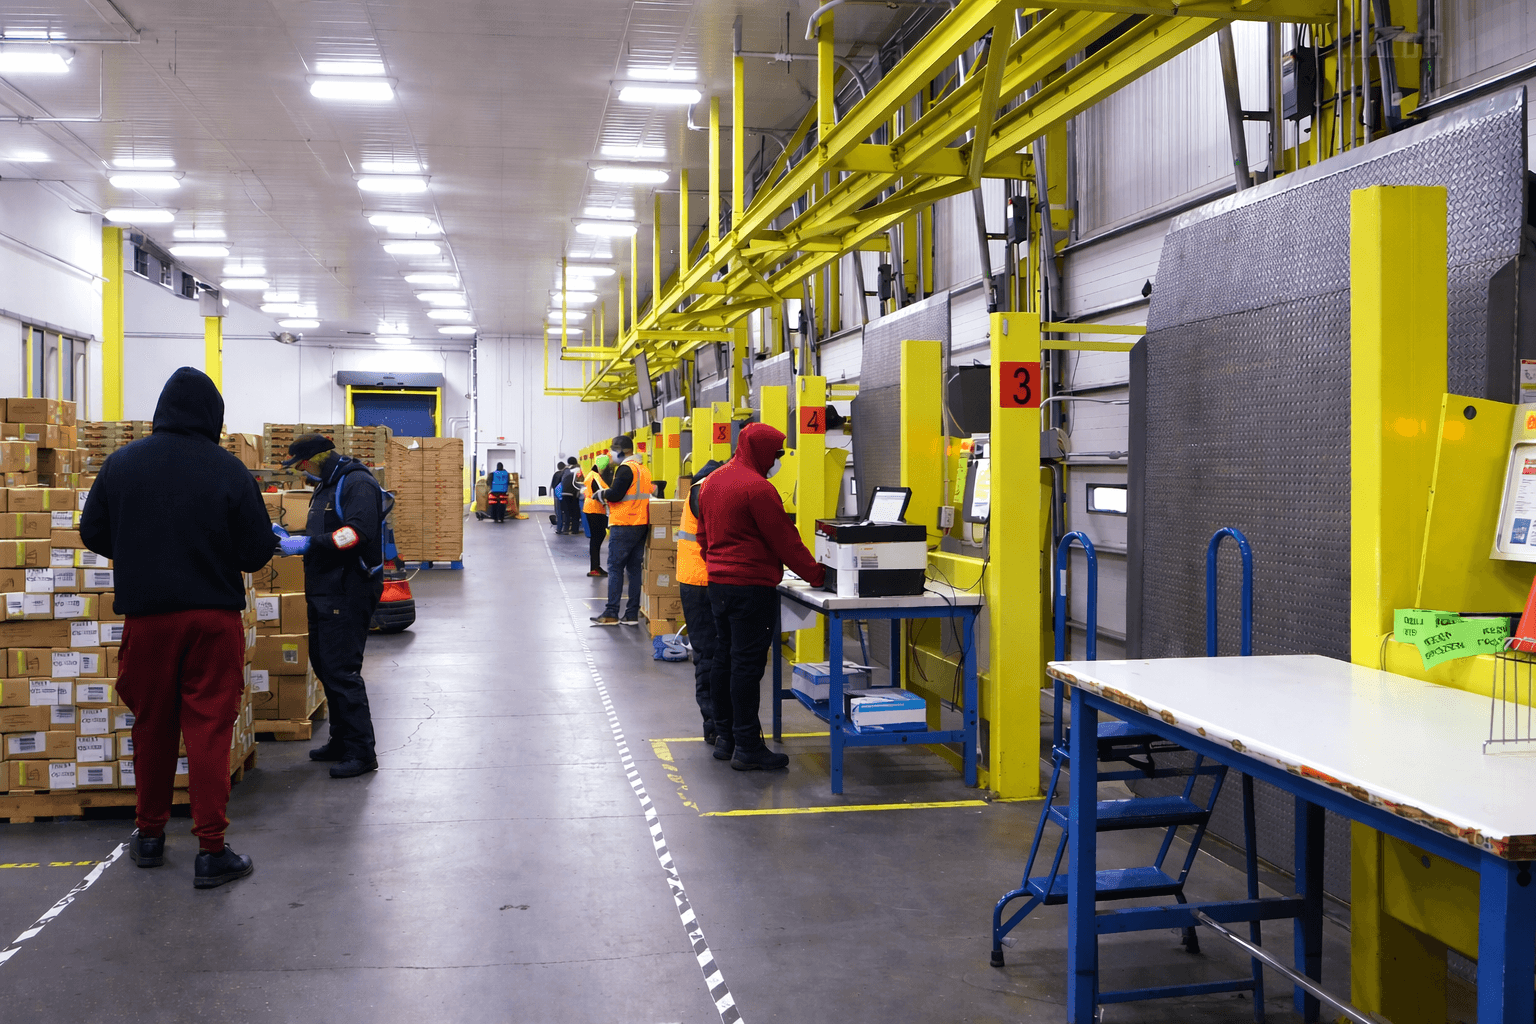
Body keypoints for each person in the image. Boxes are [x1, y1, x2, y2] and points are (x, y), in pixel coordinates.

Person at [80, 366, 274, 889]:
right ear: (213, 416)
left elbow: (92, 530)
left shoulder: (122, 464)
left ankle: (149, 836)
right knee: (209, 730)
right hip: (212, 620)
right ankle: (211, 850)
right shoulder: (229, 470)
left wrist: (138, 552)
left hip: (147, 620)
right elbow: (257, 551)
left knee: (152, 726)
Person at [696, 423, 826, 771]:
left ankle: (726, 739)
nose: (777, 459)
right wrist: (817, 575)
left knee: (724, 658)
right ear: (761, 450)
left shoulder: (711, 482)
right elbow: (785, 540)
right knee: (746, 665)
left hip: (718, 584)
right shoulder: (758, 488)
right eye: (776, 452)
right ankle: (748, 747)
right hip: (751, 588)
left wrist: (718, 566)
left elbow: (703, 536)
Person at [277, 433, 385, 779]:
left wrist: (308, 545)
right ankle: (341, 740)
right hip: (325, 590)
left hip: (348, 589)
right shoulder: (327, 483)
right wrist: (291, 537)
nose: (301, 471)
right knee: (324, 666)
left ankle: (361, 751)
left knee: (341, 670)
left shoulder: (357, 484)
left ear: (316, 457)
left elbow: (355, 534)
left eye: (302, 465)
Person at [678, 459, 723, 743]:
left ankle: (718, 724)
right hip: (702, 580)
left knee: (712, 655)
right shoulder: (704, 489)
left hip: (699, 578)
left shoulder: (701, 487)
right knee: (709, 655)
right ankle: (714, 725)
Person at [590, 435, 650, 626]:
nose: (611, 454)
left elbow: (616, 494)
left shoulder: (625, 469)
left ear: (623, 451)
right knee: (634, 569)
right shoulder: (643, 469)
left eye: (613, 450)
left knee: (615, 568)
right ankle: (631, 614)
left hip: (624, 524)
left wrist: (601, 494)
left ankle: (611, 612)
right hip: (641, 524)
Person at [583, 454, 613, 578]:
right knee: (597, 537)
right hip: (594, 509)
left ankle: (595, 567)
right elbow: (599, 493)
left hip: (595, 509)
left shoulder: (594, 475)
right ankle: (594, 568)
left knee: (598, 536)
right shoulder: (594, 476)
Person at [560, 458, 583, 535]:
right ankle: (574, 530)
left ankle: (565, 529)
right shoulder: (577, 469)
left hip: (563, 493)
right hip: (573, 493)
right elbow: (579, 482)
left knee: (567, 513)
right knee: (575, 513)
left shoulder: (565, 470)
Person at [550, 461, 567, 531]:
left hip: (556, 494)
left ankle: (559, 528)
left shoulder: (556, 474)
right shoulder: (565, 474)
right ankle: (566, 528)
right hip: (564, 494)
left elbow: (552, 485)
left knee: (558, 511)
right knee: (565, 511)